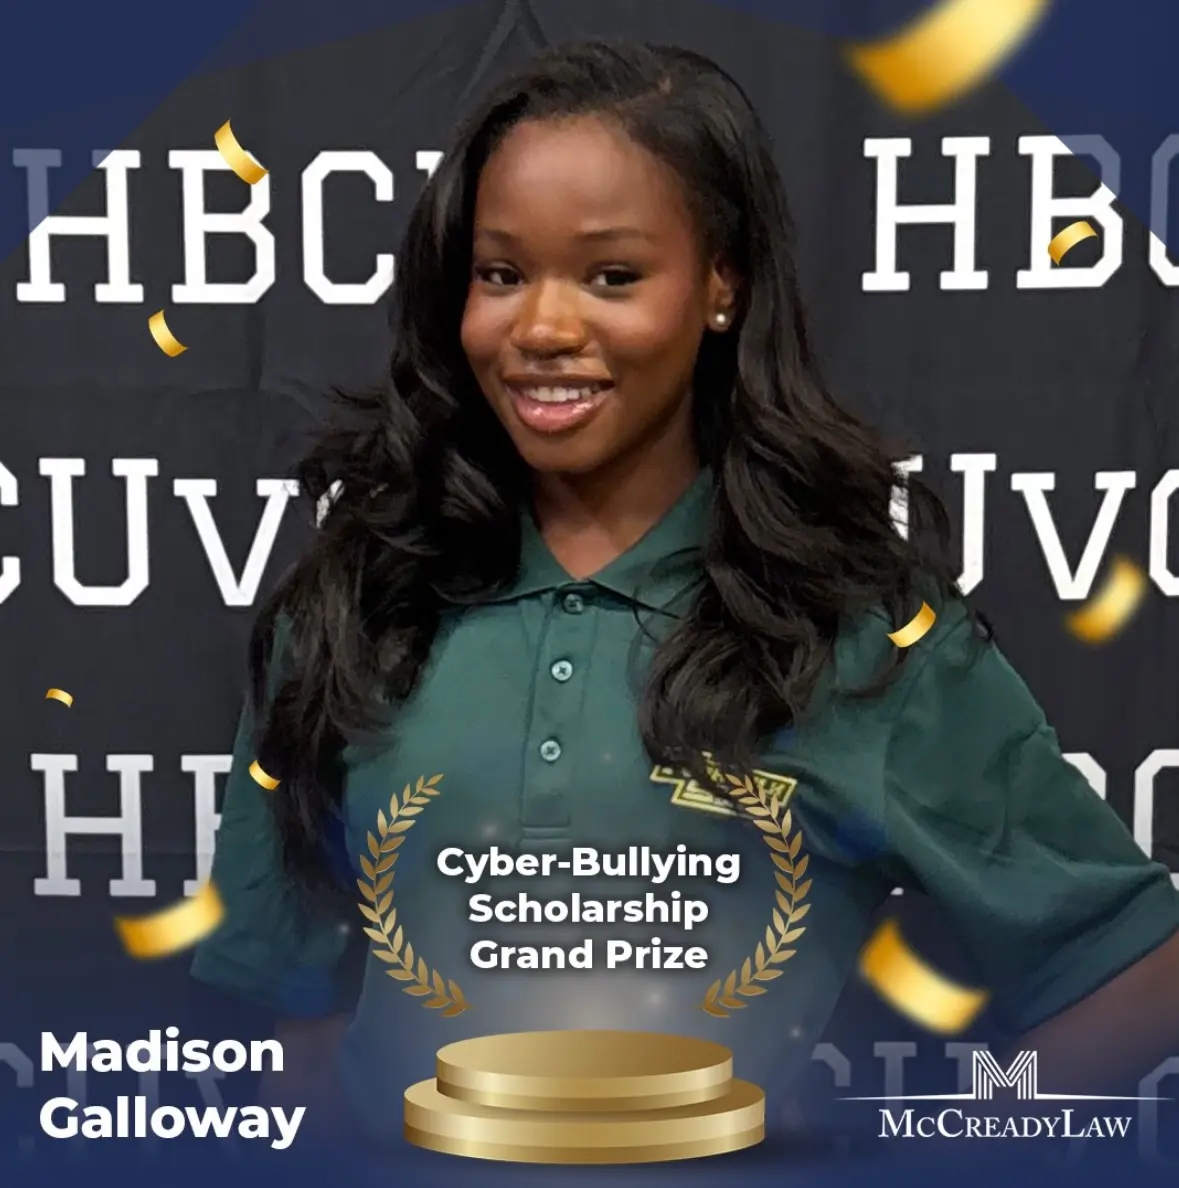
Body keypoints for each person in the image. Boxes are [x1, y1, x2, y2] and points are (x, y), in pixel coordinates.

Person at [191, 38, 1179, 1156]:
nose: (543, 329)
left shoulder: (846, 631)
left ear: (722, 284)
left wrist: (929, 1154)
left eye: (612, 276)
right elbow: (289, 1007)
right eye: (501, 273)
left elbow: (1135, 964)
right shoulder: (358, 607)